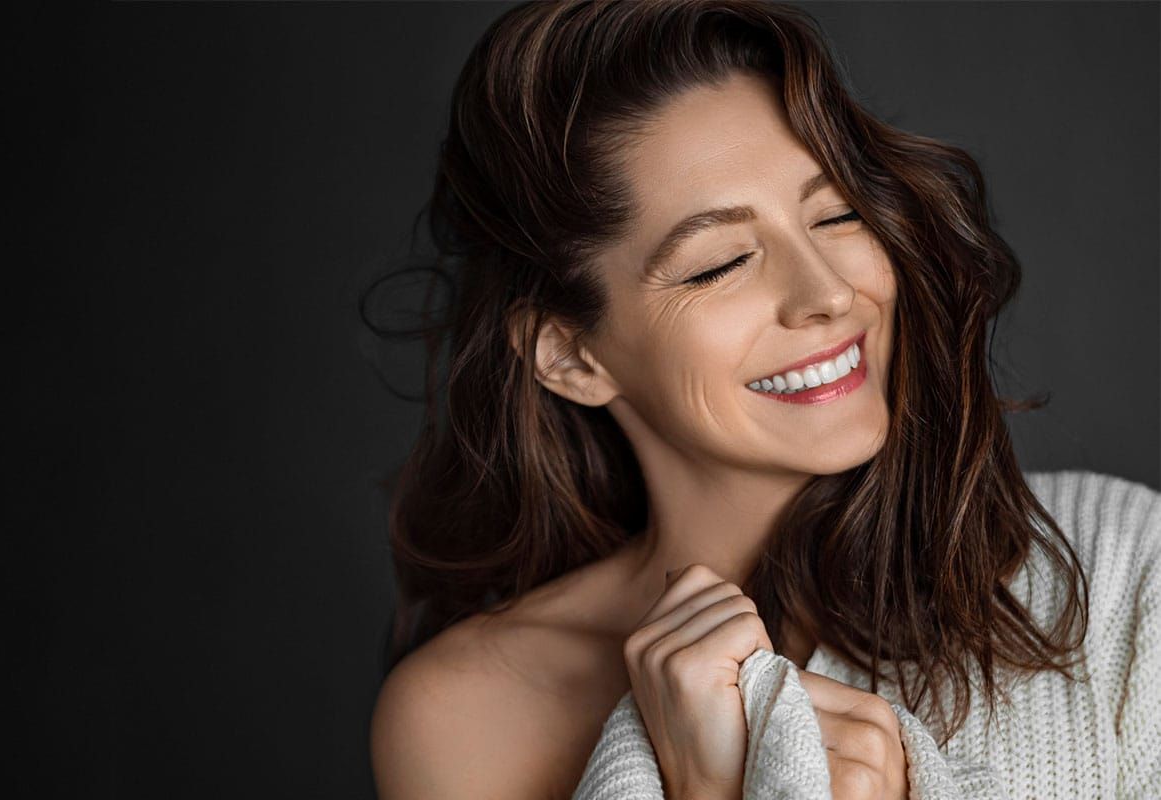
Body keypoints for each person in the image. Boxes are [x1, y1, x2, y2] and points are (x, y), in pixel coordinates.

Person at [365, 2, 1160, 799]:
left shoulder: (1124, 572)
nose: (828, 293)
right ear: (571, 357)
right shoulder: (469, 717)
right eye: (721, 263)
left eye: (838, 214)